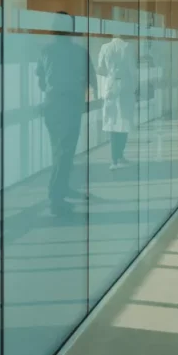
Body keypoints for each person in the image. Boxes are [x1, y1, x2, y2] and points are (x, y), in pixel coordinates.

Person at [36, 12, 97, 215]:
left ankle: (62, 188)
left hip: (52, 105)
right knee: (65, 151)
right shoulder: (79, 52)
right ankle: (56, 196)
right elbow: (91, 78)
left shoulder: (46, 50)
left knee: (59, 150)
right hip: (70, 105)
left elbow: (41, 81)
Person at [97, 32, 137, 170]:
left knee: (112, 122)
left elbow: (101, 69)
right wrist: (135, 86)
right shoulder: (129, 47)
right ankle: (119, 155)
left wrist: (110, 74)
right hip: (125, 85)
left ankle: (114, 159)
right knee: (125, 121)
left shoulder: (105, 47)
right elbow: (132, 69)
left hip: (110, 86)